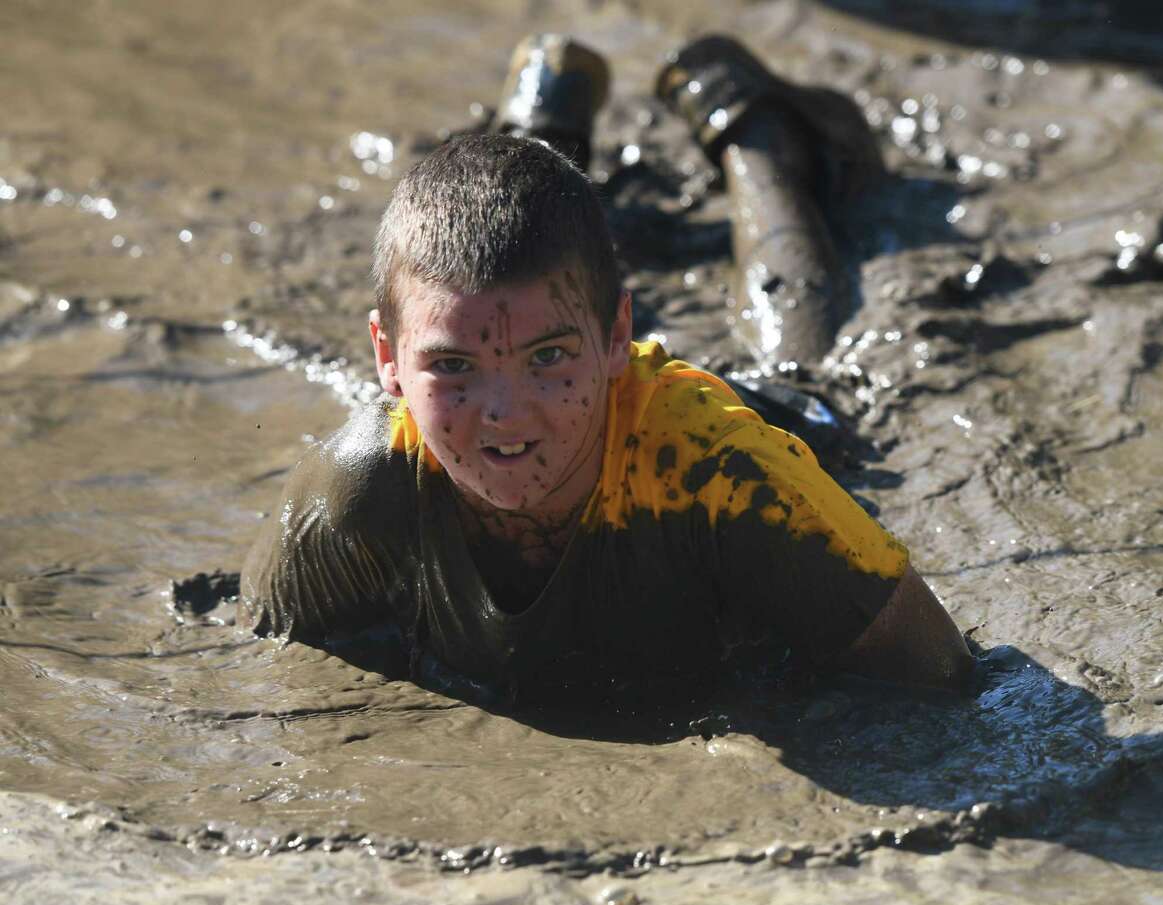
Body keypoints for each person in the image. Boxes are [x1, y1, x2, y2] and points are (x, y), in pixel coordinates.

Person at [238, 35, 973, 708]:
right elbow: (265, 677)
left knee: (799, 339)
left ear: (621, 333)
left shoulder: (727, 479)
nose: (504, 413)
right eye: (453, 366)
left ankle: (755, 136)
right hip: (592, 371)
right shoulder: (358, 488)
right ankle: (545, 111)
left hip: (783, 417)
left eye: (547, 358)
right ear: (387, 362)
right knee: (514, 253)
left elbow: (943, 678)